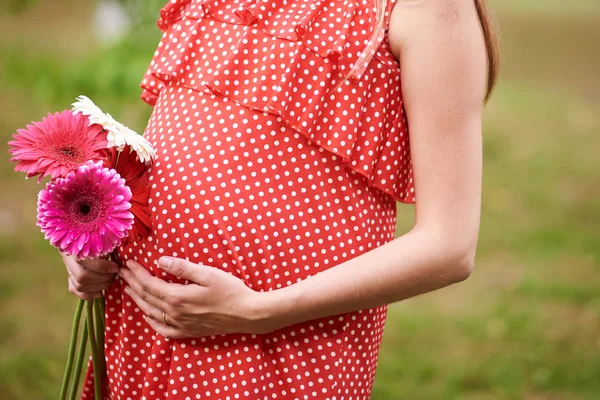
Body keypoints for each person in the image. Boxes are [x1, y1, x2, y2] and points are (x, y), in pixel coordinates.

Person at [62, 0, 499, 398]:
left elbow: (450, 245)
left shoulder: (433, 10)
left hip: (285, 343)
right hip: (145, 320)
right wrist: (92, 232)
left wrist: (258, 311)